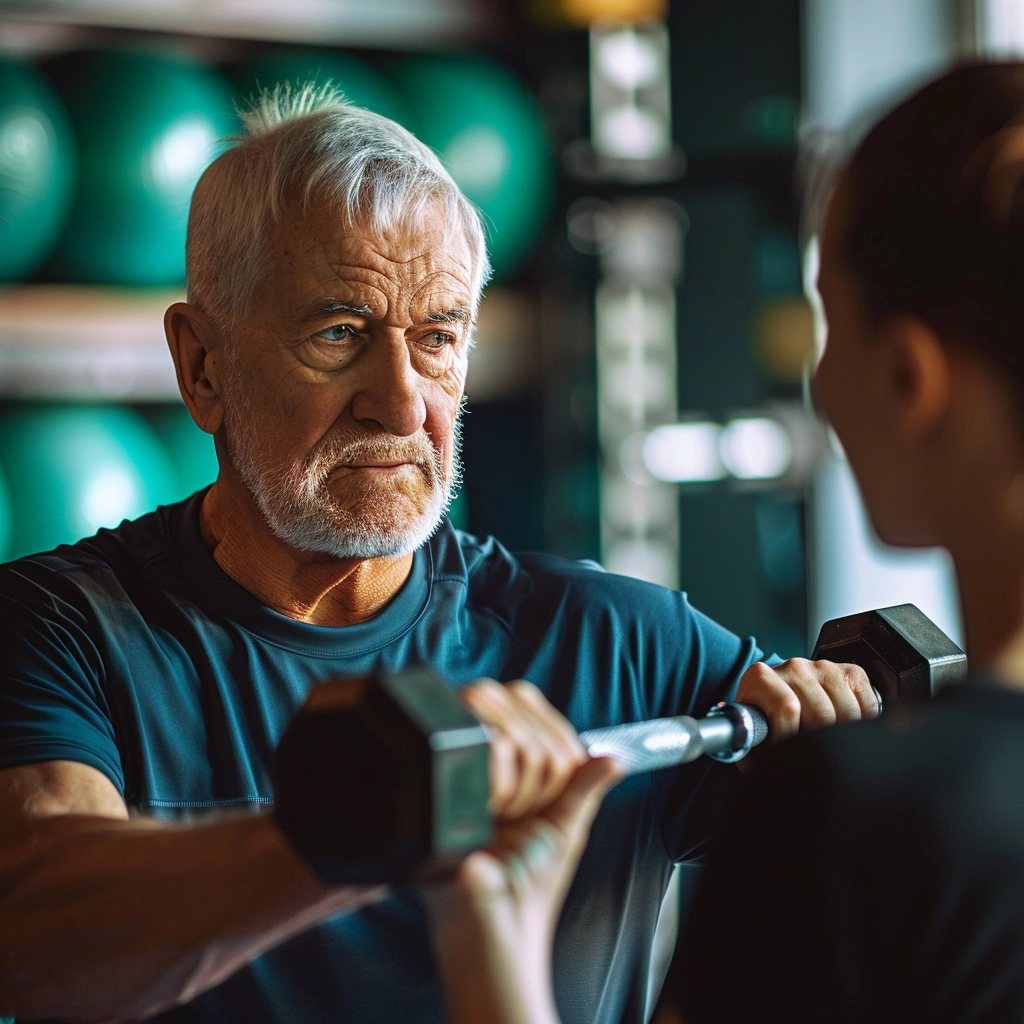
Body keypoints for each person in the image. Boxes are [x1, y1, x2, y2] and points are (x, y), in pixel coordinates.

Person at [0, 84, 874, 1024]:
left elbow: (891, 887)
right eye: (339, 334)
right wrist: (368, 826)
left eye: (437, 339)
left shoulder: (616, 642)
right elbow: (36, 935)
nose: (405, 402)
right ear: (203, 366)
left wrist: (839, 772)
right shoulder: (60, 632)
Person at [667, 61, 1024, 1022]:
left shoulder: (855, 809)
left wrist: (493, 913)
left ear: (912, 376)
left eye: (832, 321)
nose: (821, 386)